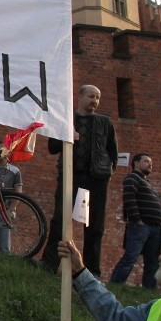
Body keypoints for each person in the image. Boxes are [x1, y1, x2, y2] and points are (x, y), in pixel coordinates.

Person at [40, 85, 118, 276]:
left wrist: (107, 171)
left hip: (97, 179)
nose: (95, 101)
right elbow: (52, 147)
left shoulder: (105, 123)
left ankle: (92, 271)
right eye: (91, 96)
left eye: (98, 98)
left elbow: (112, 152)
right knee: (60, 220)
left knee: (95, 226)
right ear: (80, 96)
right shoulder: (66, 120)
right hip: (70, 177)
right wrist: (67, 137)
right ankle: (49, 264)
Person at [110, 153, 161, 288]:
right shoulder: (132, 177)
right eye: (146, 161)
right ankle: (115, 285)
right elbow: (129, 198)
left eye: (151, 162)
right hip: (141, 225)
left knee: (152, 262)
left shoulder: (146, 182)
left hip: (154, 227)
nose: (150, 164)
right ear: (136, 163)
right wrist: (137, 219)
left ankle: (149, 290)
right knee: (130, 257)